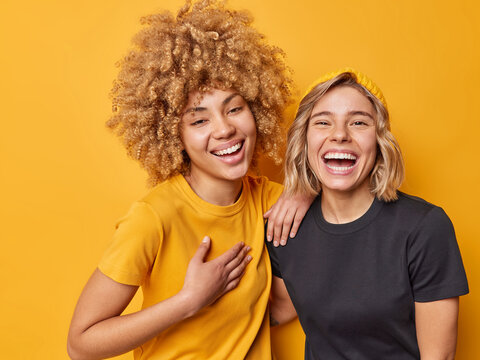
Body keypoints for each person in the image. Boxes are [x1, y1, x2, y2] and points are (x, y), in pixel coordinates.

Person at [67, 1, 310, 359]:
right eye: (199, 121)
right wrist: (189, 301)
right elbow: (81, 345)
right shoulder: (153, 217)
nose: (225, 128)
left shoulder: (269, 201)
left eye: (234, 108)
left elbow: (352, 200)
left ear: (256, 109)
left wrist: (307, 189)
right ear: (172, 135)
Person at [267, 69, 469, 359]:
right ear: (304, 140)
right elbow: (280, 309)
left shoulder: (424, 228)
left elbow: (438, 357)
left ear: (379, 140)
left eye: (358, 122)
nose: (339, 135)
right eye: (323, 122)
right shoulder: (285, 228)